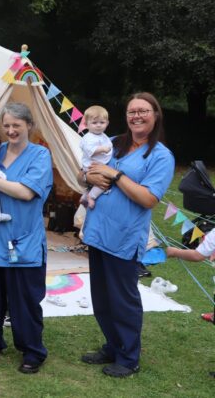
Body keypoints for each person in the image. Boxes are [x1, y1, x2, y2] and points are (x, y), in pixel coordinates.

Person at [79, 92, 174, 378]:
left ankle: (129, 356)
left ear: (155, 115)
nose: (136, 116)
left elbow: (148, 199)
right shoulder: (114, 143)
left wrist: (116, 176)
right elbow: (87, 171)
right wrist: (88, 177)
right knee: (102, 297)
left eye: (143, 111)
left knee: (122, 299)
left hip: (123, 236)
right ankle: (112, 344)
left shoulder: (160, 156)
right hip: (98, 231)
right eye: (132, 111)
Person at [0, 102, 53, 374]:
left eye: (17, 125)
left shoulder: (40, 155)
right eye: (7, 126)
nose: (11, 130)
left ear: (29, 125)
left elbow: (26, 192)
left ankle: (31, 351)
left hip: (23, 241)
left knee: (24, 300)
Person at [79, 105, 112, 209]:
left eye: (102, 122)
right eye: (94, 123)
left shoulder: (102, 136)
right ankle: (91, 197)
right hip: (91, 166)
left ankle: (85, 196)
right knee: (104, 181)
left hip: (96, 165)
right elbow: (90, 151)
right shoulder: (88, 138)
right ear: (86, 124)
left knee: (93, 183)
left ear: (107, 123)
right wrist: (102, 149)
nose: (98, 125)